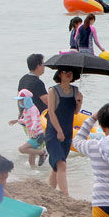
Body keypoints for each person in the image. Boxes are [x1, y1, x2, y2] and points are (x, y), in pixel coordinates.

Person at [44, 67, 81, 196]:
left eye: (70, 72)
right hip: (53, 132)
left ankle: (50, 192)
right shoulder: (53, 90)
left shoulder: (75, 90)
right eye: (65, 72)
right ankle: (66, 195)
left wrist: (79, 102)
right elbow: (51, 112)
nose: (68, 74)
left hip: (68, 132)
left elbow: (75, 112)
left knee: (57, 166)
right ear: (59, 74)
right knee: (61, 164)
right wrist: (59, 131)